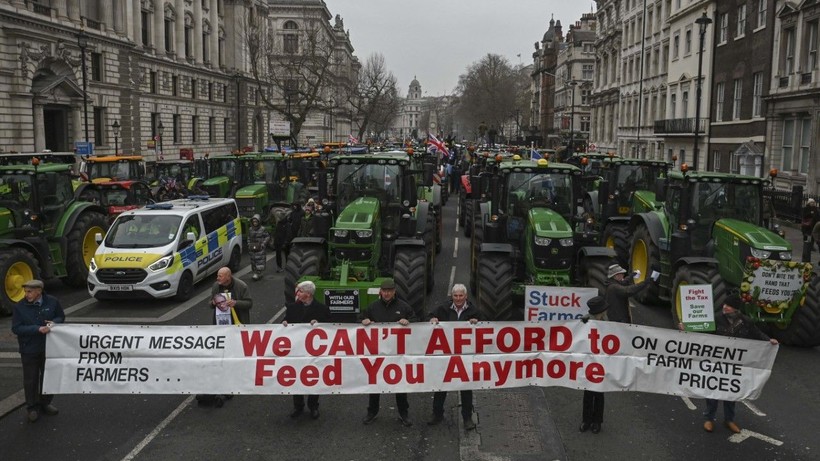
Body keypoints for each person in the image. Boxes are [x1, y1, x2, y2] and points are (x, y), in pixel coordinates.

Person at [701, 294, 778, 434]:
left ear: (736, 309)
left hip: (735, 364)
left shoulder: (746, 321)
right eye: (724, 304)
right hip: (716, 362)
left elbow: (757, 333)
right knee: (712, 389)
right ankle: (709, 418)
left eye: (728, 305)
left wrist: (769, 340)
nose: (725, 307)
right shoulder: (717, 318)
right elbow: (703, 332)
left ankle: (729, 420)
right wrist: (685, 329)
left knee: (731, 391)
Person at [359, 278, 416, 427]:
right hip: (377, 353)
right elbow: (360, 317)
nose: (386, 293)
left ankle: (404, 413)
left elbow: (417, 320)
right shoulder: (373, 307)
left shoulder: (404, 307)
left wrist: (408, 321)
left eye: (389, 291)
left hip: (398, 354)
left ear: (394, 292)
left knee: (400, 384)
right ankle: (372, 411)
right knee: (375, 383)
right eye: (384, 291)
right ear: (380, 292)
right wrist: (364, 320)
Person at [427, 283, 481, 430]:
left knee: (466, 388)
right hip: (446, 355)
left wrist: (477, 322)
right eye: (455, 296)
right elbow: (430, 315)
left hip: (465, 357)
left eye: (461, 295)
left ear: (466, 296)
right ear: (452, 296)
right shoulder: (443, 308)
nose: (458, 298)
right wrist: (432, 320)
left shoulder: (474, 311)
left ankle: (467, 418)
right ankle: (437, 414)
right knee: (441, 385)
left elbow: (485, 326)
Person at [198, 267, 253, 408]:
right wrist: (213, 303)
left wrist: (236, 303)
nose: (218, 279)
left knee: (235, 355)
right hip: (220, 326)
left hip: (237, 326)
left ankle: (235, 379)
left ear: (229, 277)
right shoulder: (216, 286)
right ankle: (223, 382)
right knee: (221, 355)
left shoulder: (241, 286)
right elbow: (210, 304)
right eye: (218, 276)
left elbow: (249, 303)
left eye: (220, 276)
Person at [11, 279, 64, 423]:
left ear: (39, 291)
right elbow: (16, 328)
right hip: (29, 349)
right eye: (26, 291)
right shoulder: (19, 307)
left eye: (29, 291)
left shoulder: (52, 302)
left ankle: (45, 403)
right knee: (31, 379)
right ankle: (32, 407)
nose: (26, 294)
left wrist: (55, 323)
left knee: (48, 377)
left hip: (49, 347)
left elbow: (60, 316)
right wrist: (37, 329)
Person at [283, 281, 331, 419]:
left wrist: (319, 324)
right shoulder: (292, 308)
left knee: (313, 377)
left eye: (300, 291)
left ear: (308, 294)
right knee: (295, 377)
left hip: (313, 352)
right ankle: (298, 406)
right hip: (296, 350)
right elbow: (286, 320)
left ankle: (313, 406)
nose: (297, 294)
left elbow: (331, 326)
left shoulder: (322, 309)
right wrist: (284, 323)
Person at [579, 295, 608, 434]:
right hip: (589, 362)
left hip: (602, 362)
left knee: (599, 393)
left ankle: (597, 421)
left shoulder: (608, 323)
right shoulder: (586, 321)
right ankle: (586, 420)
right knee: (588, 393)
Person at [247, 214, 270, 281]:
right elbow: (248, 237)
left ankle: (258, 273)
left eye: (256, 221)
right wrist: (248, 244)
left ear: (259, 221)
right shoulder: (250, 229)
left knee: (259, 261)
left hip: (260, 248)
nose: (255, 223)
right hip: (252, 248)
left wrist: (263, 244)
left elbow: (267, 237)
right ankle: (256, 272)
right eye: (253, 222)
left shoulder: (263, 229)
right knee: (253, 261)